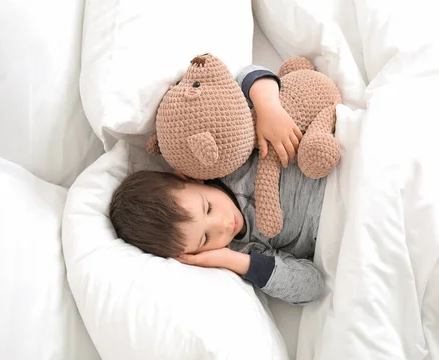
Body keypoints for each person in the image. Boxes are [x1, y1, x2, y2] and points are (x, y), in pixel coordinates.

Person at [110, 65, 327, 304]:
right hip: (337, 221)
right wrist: (234, 261)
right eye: (205, 238)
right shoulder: (243, 250)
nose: (224, 225)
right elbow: (312, 287)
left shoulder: (228, 159)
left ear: (189, 178)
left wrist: (268, 108)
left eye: (208, 208)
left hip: (333, 147)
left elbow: (247, 76)